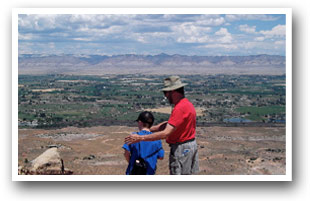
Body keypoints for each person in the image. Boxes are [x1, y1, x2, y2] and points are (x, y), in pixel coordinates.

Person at [125, 75, 199, 175]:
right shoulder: (187, 104)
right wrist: (149, 129)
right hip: (189, 147)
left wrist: (141, 137)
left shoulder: (180, 108)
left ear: (173, 91)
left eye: (166, 92)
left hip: (181, 149)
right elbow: (169, 125)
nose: (165, 96)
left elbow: (165, 133)